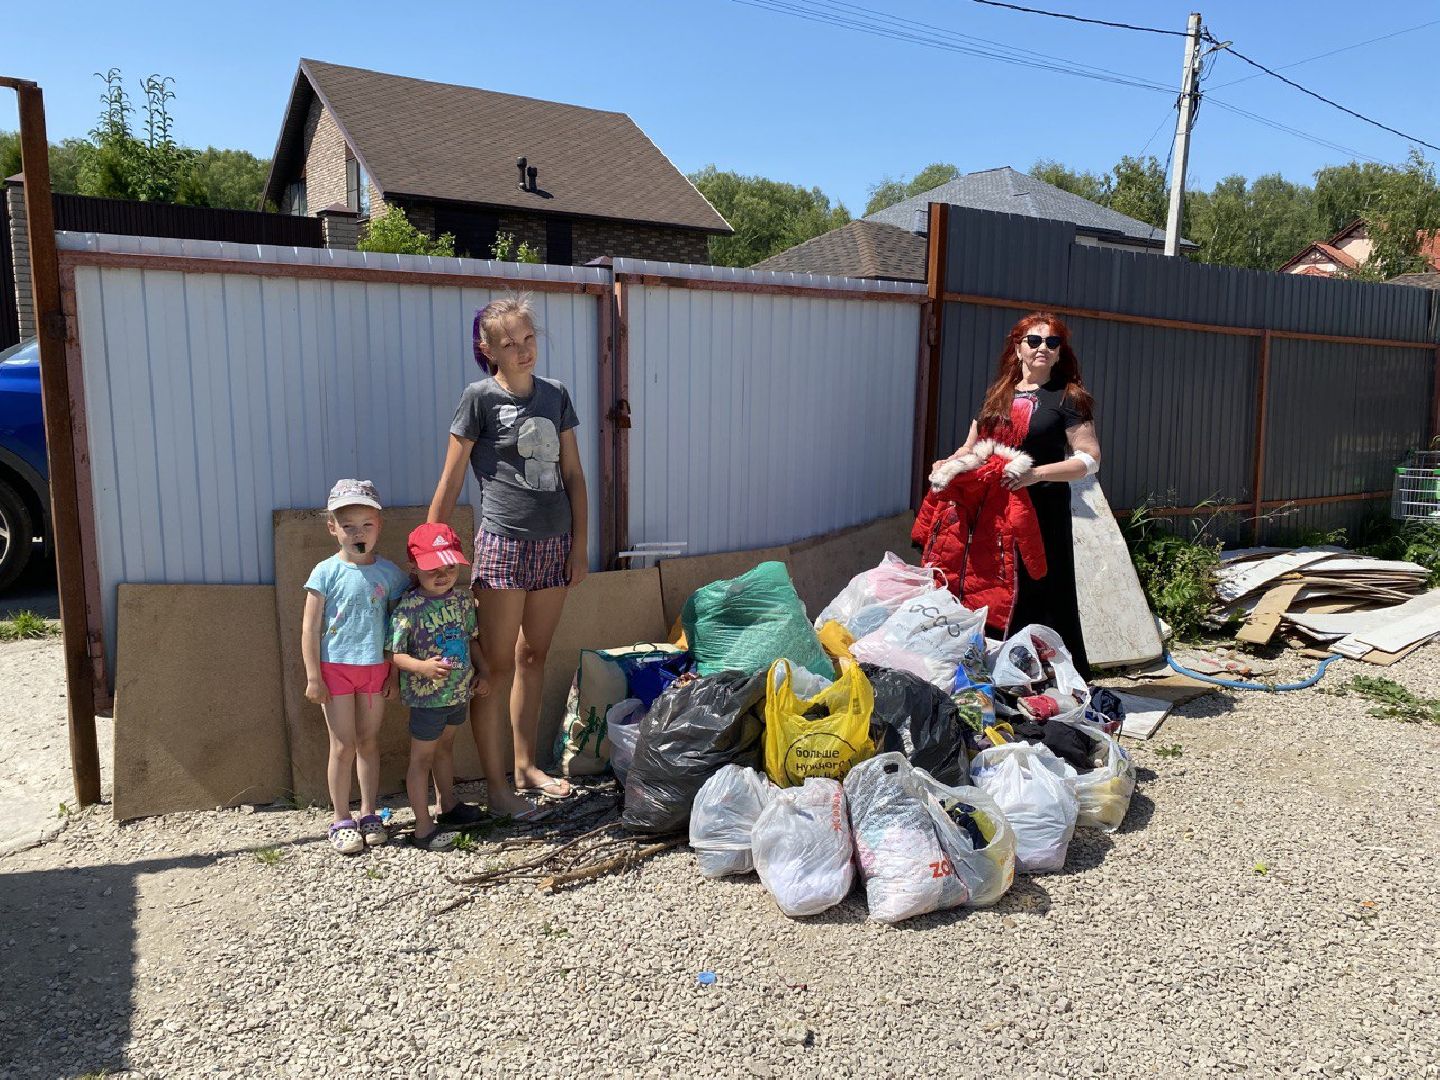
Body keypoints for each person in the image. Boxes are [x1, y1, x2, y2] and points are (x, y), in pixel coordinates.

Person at [428, 294, 589, 820]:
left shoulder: (556, 395)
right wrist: (431, 546)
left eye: (528, 339)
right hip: (502, 548)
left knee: (532, 657)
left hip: (555, 548)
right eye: (509, 343)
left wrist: (580, 546)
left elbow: (574, 477)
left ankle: (525, 768)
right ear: (488, 349)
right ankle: (497, 790)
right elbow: (452, 479)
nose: (522, 351)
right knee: (494, 670)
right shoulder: (478, 398)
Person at [934, 313, 1102, 678]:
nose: (1043, 347)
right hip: (990, 514)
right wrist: (946, 465)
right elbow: (971, 447)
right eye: (1035, 340)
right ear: (1018, 347)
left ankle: (1049, 678)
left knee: (1040, 593)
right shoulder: (998, 394)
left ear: (1060, 353)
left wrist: (1034, 475)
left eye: (1052, 342)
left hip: (1041, 514)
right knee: (990, 589)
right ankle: (994, 673)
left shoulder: (1069, 398)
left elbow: (1089, 460)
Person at [301, 479, 411, 854]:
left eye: (366, 524)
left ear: (379, 526)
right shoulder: (325, 572)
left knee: (368, 742)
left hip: (375, 669)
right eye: (348, 525)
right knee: (343, 744)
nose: (358, 532)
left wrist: (394, 673)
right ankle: (340, 818)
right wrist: (313, 676)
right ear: (333, 528)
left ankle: (368, 813)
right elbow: (310, 627)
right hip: (335, 670)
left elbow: (398, 629)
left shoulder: (391, 574)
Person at [388, 523, 493, 850]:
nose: (443, 574)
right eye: (433, 568)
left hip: (458, 693)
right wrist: (422, 667)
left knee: (445, 750)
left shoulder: (463, 602)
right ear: (414, 568)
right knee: (421, 759)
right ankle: (422, 826)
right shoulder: (409, 607)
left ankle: (447, 805)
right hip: (427, 699)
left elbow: (471, 641)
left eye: (449, 567)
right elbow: (394, 653)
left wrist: (484, 671)